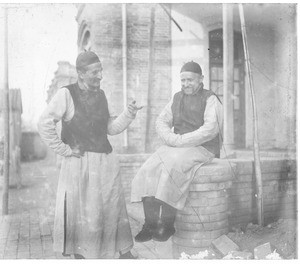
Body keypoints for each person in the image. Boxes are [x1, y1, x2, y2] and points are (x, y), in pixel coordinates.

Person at [38, 51, 142, 259]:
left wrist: (128, 114)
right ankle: (85, 255)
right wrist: (64, 150)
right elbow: (44, 124)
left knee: (113, 208)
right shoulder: (66, 94)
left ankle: (122, 251)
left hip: (105, 161)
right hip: (80, 164)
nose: (100, 76)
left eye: (101, 70)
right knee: (87, 215)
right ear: (81, 73)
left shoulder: (101, 95)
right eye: (95, 72)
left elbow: (110, 128)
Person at [131, 61, 223, 243]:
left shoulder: (210, 98)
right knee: (149, 169)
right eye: (183, 80)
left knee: (171, 169)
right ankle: (150, 225)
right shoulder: (177, 97)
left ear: (201, 79)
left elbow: (211, 129)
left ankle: (167, 225)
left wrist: (181, 141)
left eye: (190, 80)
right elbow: (161, 121)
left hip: (203, 147)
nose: (186, 84)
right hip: (177, 146)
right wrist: (171, 139)